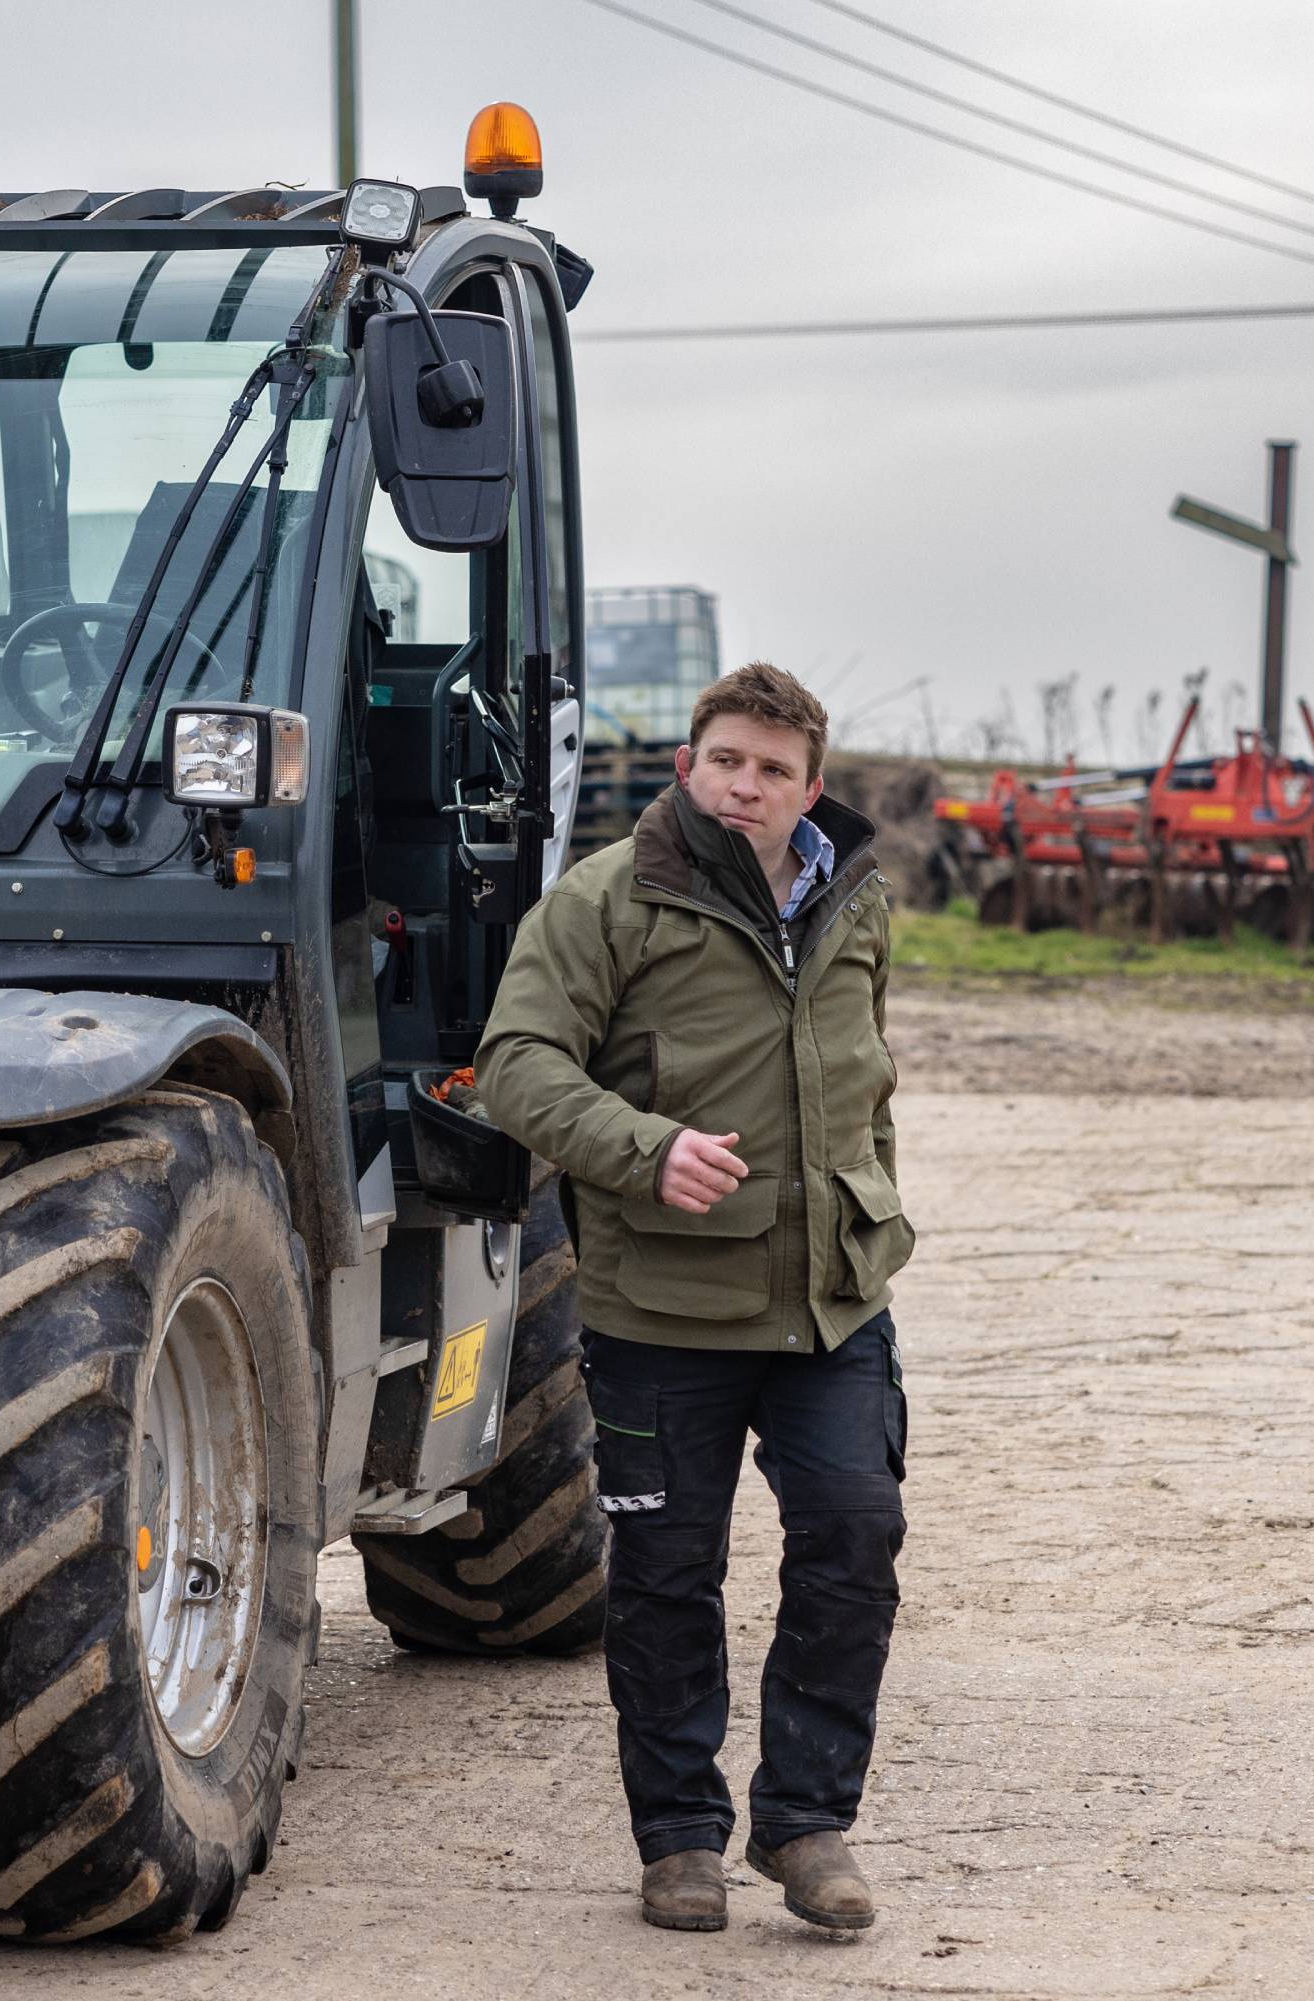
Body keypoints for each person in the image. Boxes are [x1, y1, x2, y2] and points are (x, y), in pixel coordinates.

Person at [474, 663, 915, 1935]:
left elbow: (866, 1078)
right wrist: (643, 1148)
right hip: (662, 1312)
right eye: (726, 760)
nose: (745, 786)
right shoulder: (607, 900)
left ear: (811, 791)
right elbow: (516, 1064)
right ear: (687, 766)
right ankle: (678, 1839)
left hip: (831, 1306)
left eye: (774, 770)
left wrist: (868, 1209)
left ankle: (806, 1823)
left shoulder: (855, 898)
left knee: (855, 1539)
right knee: (668, 1577)